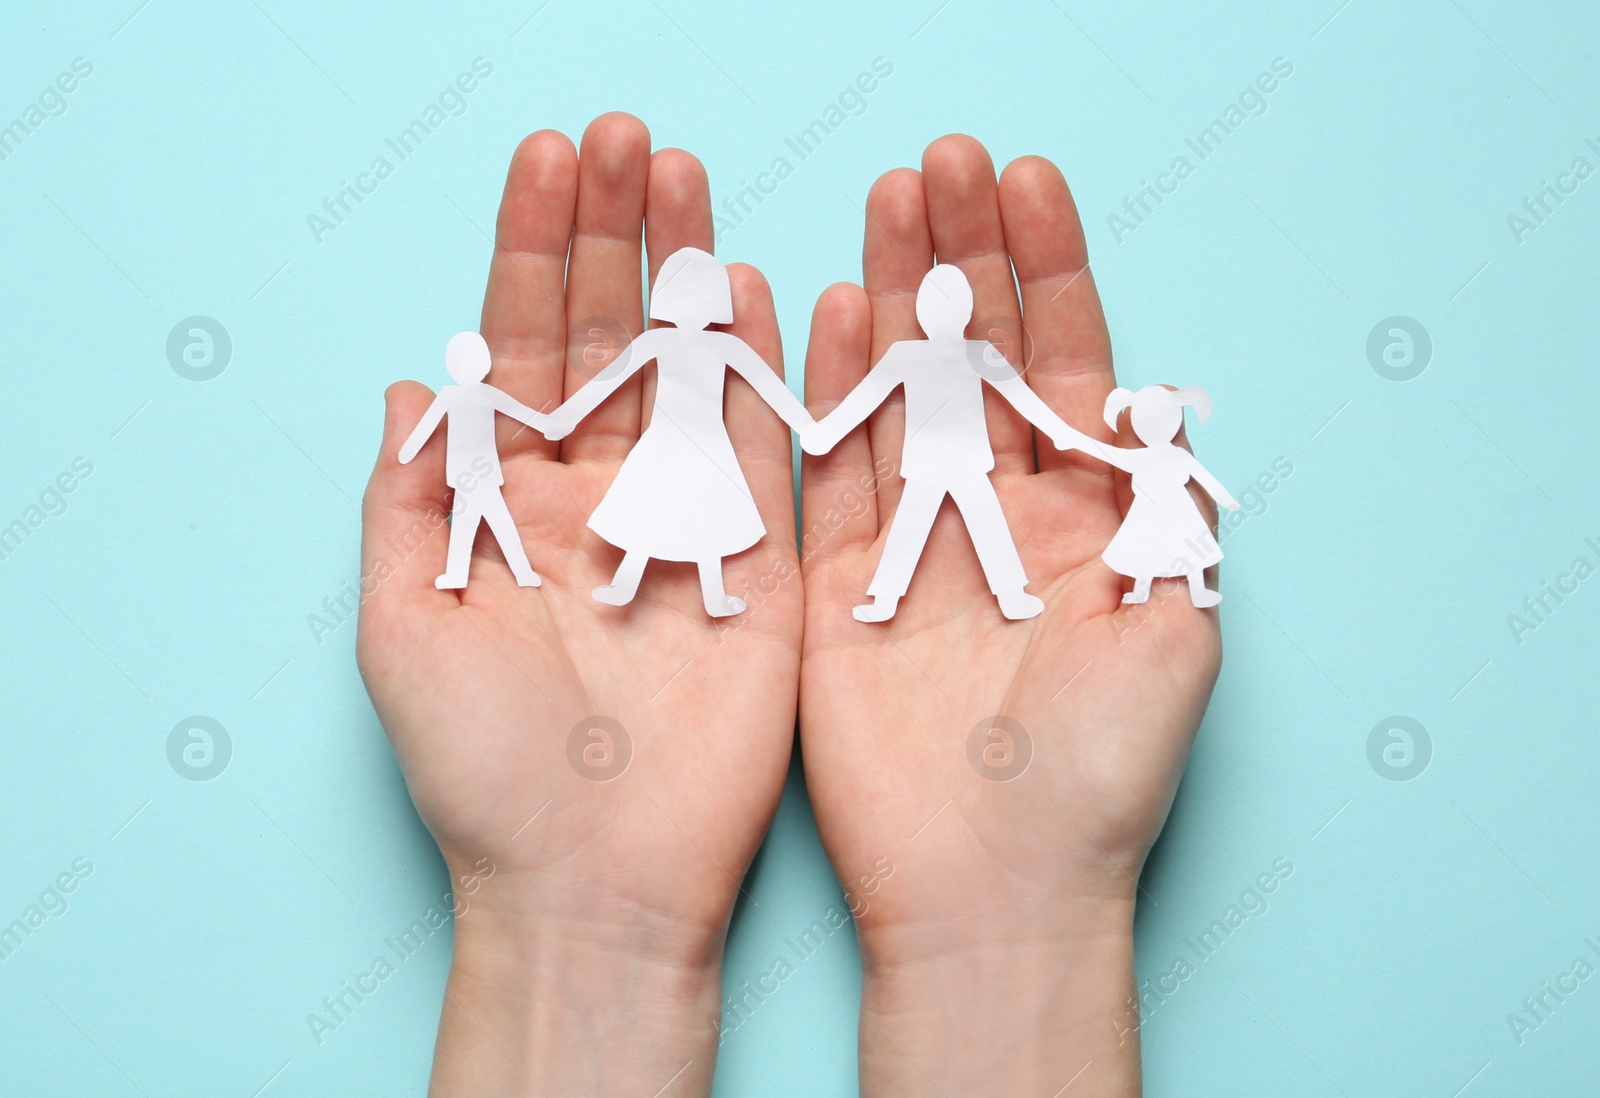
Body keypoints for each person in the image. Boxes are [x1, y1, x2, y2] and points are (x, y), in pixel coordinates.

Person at [359, 113, 1226, 1096]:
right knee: (699, 526)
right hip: (850, 458)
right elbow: (842, 400)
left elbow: (960, 405)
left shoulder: (938, 358)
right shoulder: (693, 352)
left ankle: (864, 582)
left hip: (951, 461)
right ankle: (863, 582)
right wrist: (565, 912)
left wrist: (1019, 919)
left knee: (808, 531)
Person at [803, 263, 1091, 622]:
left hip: (953, 459)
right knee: (942, 523)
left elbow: (1019, 396)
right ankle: (900, 600)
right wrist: (827, 432)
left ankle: (898, 600)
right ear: (966, 311)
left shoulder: (963, 352)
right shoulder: (929, 353)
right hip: (941, 460)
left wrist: (1057, 429)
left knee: (959, 521)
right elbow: (867, 397)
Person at [540, 245, 816, 617]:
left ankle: (713, 597)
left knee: (706, 510)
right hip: (665, 438)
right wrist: (567, 415)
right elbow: (610, 379)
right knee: (650, 503)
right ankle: (626, 584)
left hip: (706, 441)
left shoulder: (724, 346)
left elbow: (767, 384)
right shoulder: (658, 341)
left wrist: (806, 426)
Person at [397, 331, 547, 589]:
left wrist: (548, 424)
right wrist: (407, 451)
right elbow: (426, 426)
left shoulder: (487, 394)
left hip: (483, 474)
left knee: (495, 524)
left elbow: (522, 413)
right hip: (465, 476)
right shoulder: (450, 395)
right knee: (473, 526)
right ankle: (487, 574)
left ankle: (520, 574)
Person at [1092, 385, 1242, 607]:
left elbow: (1205, 478)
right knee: (1146, 548)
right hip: (1150, 509)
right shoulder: (1140, 457)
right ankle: (1142, 592)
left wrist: (1226, 499)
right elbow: (1111, 455)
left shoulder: (1177, 456)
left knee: (1189, 548)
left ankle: (1198, 592)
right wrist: (1075, 441)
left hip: (1177, 508)